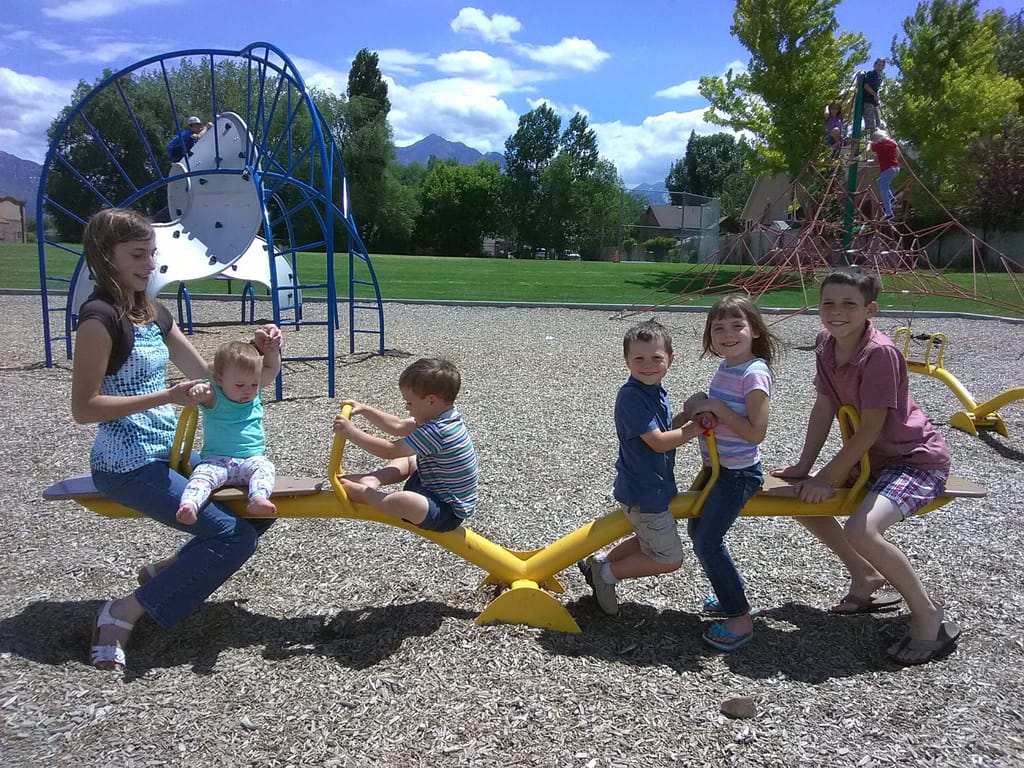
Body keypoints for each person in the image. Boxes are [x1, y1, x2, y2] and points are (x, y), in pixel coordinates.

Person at [72, 207, 282, 671]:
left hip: (166, 454)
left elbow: (208, 376)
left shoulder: (153, 313)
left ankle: (167, 572)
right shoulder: (99, 320)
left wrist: (258, 352)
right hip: (125, 466)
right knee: (233, 539)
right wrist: (164, 395)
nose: (150, 264)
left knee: (256, 513)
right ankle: (122, 611)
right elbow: (84, 408)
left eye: (152, 253)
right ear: (106, 256)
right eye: (137, 255)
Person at [773, 269, 961, 665]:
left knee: (862, 528)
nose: (836, 312)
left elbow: (872, 428)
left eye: (849, 305)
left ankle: (927, 615)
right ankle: (865, 576)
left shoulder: (879, 353)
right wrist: (805, 467)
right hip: (870, 460)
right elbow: (824, 406)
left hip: (913, 462)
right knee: (795, 500)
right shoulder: (826, 342)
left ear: (870, 309)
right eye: (828, 303)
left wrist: (830, 477)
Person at [577, 319, 710, 616]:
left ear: (670, 359)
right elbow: (660, 442)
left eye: (656, 358)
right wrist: (696, 428)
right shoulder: (632, 397)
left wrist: (687, 416)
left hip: (652, 487)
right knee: (669, 558)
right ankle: (607, 575)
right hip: (644, 491)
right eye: (639, 359)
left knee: (648, 538)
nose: (648, 365)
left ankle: (599, 562)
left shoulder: (655, 391)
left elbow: (665, 428)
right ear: (626, 361)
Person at [684, 296, 781, 651]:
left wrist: (718, 408)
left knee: (707, 540)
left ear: (754, 330)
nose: (727, 334)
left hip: (738, 474)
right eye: (718, 328)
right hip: (716, 469)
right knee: (698, 531)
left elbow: (756, 433)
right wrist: (702, 406)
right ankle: (730, 598)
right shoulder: (728, 366)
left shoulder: (754, 373)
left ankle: (740, 617)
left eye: (736, 325)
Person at [332, 358, 478, 533]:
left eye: (410, 403)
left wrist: (351, 432)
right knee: (409, 457)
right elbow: (398, 425)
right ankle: (374, 478)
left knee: (404, 501)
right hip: (429, 484)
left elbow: (389, 450)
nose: (407, 408)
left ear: (431, 401)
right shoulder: (442, 416)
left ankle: (366, 494)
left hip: (444, 511)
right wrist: (365, 409)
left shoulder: (439, 430)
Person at [176, 340, 282, 525]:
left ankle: (258, 498)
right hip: (217, 460)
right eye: (240, 385)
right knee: (201, 476)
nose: (248, 391)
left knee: (266, 468)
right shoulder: (214, 397)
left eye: (254, 384)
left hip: (250, 460)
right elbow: (201, 392)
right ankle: (189, 505)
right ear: (219, 380)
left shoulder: (254, 395)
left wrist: (272, 351)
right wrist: (198, 390)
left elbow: (272, 367)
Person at [868, 129, 900, 221]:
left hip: (887, 170)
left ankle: (889, 213)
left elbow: (868, 152)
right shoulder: (892, 142)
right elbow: (897, 154)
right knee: (880, 182)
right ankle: (892, 198)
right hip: (896, 168)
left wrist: (869, 144)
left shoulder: (878, 145)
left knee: (883, 190)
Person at [861, 59, 885, 134]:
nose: (880, 67)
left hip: (874, 103)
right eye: (878, 65)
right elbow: (866, 86)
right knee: (872, 126)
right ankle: (873, 143)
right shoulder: (871, 73)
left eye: (882, 65)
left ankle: (878, 142)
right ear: (874, 65)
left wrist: (877, 97)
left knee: (878, 125)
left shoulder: (880, 78)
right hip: (867, 102)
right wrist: (874, 95)